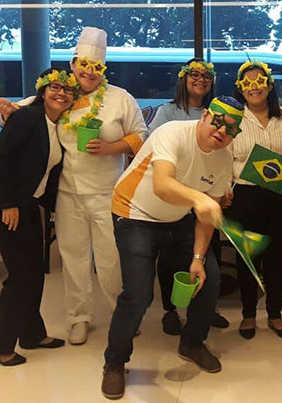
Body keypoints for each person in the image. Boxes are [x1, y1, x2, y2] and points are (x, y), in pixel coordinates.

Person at [0, 27, 148, 346]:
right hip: (67, 194)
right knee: (73, 259)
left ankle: (122, 314)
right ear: (73, 64)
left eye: (96, 66)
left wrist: (112, 147)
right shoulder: (59, 95)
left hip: (107, 193)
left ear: (103, 69)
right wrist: (6, 112)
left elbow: (141, 136)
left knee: (111, 260)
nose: (89, 72)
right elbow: (20, 114)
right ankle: (79, 318)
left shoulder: (120, 98)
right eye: (83, 65)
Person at [101, 96, 244, 400]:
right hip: (134, 213)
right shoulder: (172, 133)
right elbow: (162, 185)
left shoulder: (223, 159)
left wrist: (198, 258)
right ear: (205, 116)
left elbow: (206, 217)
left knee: (208, 279)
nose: (222, 131)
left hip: (178, 218)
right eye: (218, 121)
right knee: (138, 294)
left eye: (231, 128)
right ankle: (114, 362)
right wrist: (200, 198)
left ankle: (191, 342)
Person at [0, 68, 77, 366]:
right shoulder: (27, 118)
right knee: (21, 275)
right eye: (55, 87)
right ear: (42, 91)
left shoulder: (57, 126)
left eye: (67, 89)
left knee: (34, 272)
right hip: (3, 204)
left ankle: (32, 333)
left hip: (29, 206)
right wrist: (7, 203)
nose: (61, 93)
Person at [223, 60, 282, 340]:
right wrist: (224, 188)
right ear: (240, 88)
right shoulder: (234, 119)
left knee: (277, 257)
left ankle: (275, 314)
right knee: (248, 257)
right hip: (244, 195)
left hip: (278, 195)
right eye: (247, 83)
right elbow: (223, 156)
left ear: (269, 85)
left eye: (259, 81)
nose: (254, 87)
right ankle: (248, 314)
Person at [148, 58, 229, 334]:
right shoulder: (168, 112)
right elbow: (152, 150)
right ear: (183, 78)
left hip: (206, 197)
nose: (201, 80)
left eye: (206, 76)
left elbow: (222, 156)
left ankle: (206, 307)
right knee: (170, 257)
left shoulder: (219, 113)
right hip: (174, 199)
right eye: (195, 74)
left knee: (208, 252)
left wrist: (223, 187)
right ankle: (170, 310)